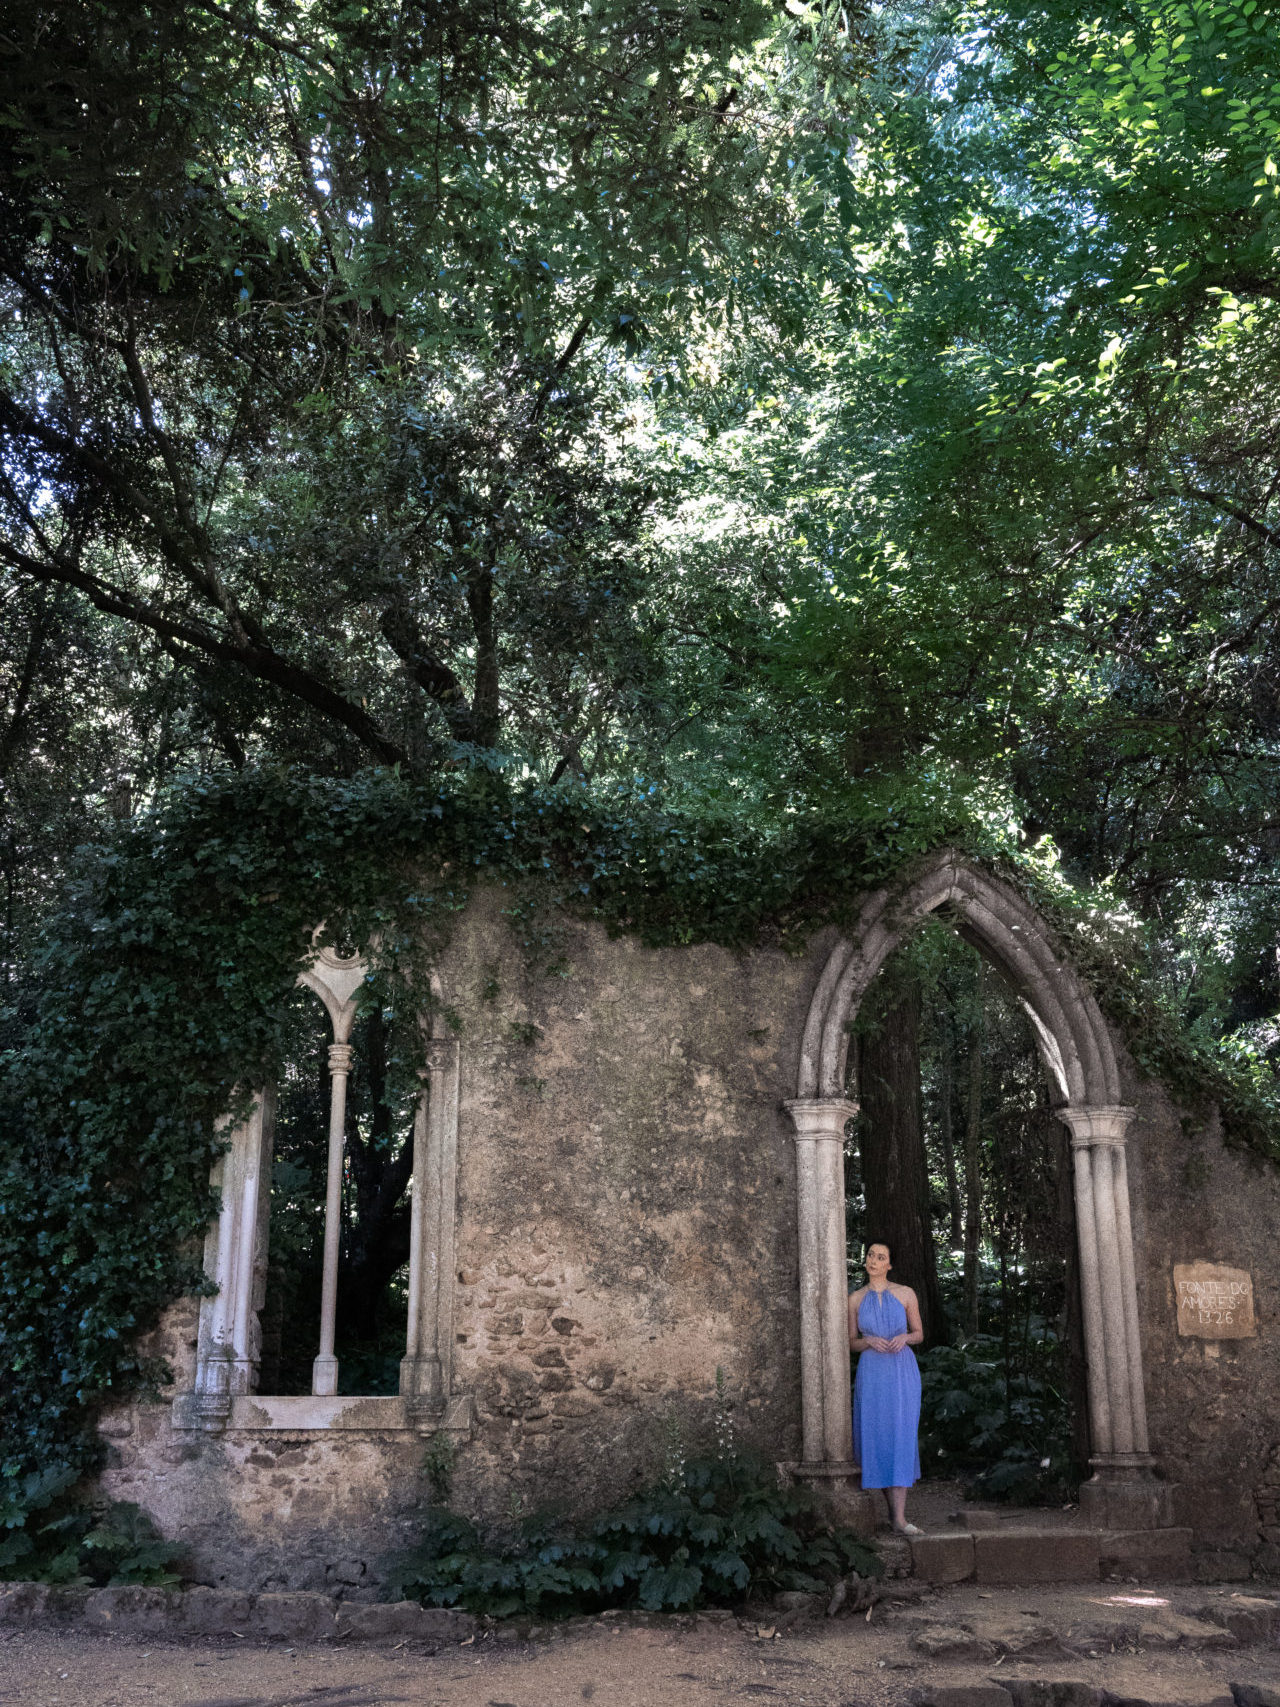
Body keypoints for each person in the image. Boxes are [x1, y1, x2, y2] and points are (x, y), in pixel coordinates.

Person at [848, 1239, 924, 1534]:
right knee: (876, 1436)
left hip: (901, 1370)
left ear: (889, 1264)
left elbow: (919, 1334)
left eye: (881, 1257)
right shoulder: (854, 1299)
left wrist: (904, 1338)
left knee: (901, 1435)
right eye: (870, 1255)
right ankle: (893, 1514)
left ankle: (901, 1518)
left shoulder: (906, 1294)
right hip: (872, 1372)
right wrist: (867, 1341)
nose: (874, 1260)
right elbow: (851, 1343)